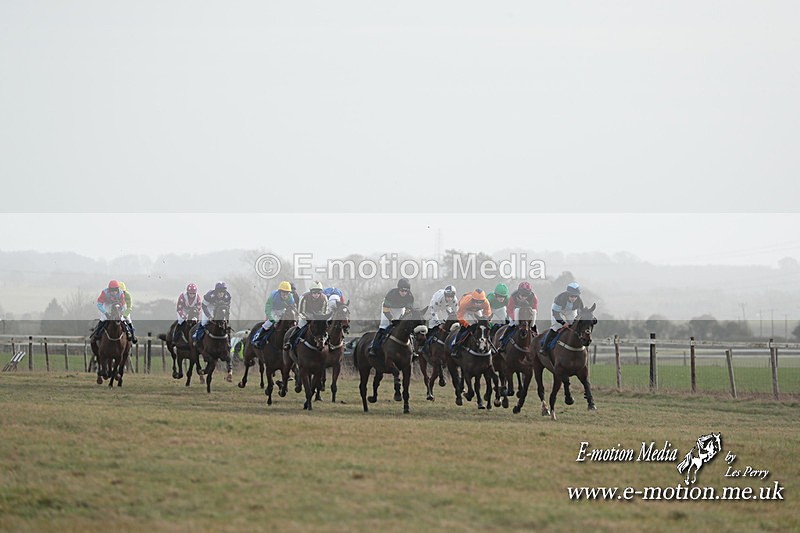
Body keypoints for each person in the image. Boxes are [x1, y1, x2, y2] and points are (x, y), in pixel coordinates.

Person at [368, 278, 414, 360]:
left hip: (400, 309)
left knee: (405, 328)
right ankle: (373, 348)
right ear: (398, 289)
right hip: (388, 309)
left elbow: (408, 311)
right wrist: (392, 319)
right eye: (402, 290)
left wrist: (402, 319)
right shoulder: (391, 294)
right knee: (383, 326)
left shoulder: (410, 297)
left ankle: (413, 350)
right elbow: (386, 310)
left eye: (406, 291)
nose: (404, 293)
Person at [541, 282, 585, 357]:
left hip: (570, 311)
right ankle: (544, 347)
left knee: (573, 325)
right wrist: (563, 323)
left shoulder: (579, 301)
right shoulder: (559, 298)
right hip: (558, 311)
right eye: (571, 296)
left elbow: (581, 312)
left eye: (575, 296)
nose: (573, 298)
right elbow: (555, 313)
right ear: (568, 294)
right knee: (556, 327)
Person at [251, 281, 295, 348]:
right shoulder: (273, 296)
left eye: (287, 293)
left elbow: (292, 308)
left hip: (282, 310)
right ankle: (257, 339)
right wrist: (271, 318)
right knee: (268, 324)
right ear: (280, 292)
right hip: (273, 309)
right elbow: (267, 308)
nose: (285, 295)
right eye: (283, 292)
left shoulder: (291, 297)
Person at [285, 281, 328, 349]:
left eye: (318, 293)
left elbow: (324, 312)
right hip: (305, 316)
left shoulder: (324, 298)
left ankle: (330, 344)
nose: (316, 295)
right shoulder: (304, 297)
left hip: (318, 317)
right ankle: (290, 342)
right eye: (314, 293)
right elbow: (301, 311)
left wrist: (318, 318)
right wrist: (308, 318)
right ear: (311, 292)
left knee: (325, 327)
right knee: (300, 326)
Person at [450, 289, 491, 358]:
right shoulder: (465, 302)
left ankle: (489, 345)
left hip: (476, 311)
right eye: (476, 301)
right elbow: (459, 316)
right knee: (464, 328)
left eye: (480, 302)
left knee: (483, 328)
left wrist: (485, 321)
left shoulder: (486, 302)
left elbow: (487, 314)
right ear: (472, 299)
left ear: (483, 300)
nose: (478, 304)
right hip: (465, 311)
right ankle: (456, 346)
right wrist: (466, 324)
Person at [499, 281, 538, 351]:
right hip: (515, 312)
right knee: (512, 325)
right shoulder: (513, 296)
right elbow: (509, 309)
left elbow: (534, 309)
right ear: (519, 292)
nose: (524, 297)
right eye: (522, 295)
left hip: (527, 313)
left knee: (533, 326)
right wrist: (515, 319)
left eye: (526, 295)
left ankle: (536, 343)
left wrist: (530, 320)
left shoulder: (534, 297)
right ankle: (503, 342)